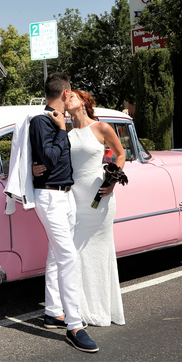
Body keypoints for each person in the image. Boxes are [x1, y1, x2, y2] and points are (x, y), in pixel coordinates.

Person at [37, 89, 126, 327]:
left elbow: (120, 154)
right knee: (74, 252)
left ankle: (99, 306)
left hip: (100, 195)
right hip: (74, 198)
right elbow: (53, 157)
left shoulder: (101, 128)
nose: (69, 99)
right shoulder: (64, 129)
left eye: (74, 96)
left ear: (84, 102)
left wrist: (113, 180)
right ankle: (78, 307)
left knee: (99, 249)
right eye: (67, 97)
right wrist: (38, 168)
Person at [29, 73, 99, 353]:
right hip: (49, 196)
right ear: (66, 92)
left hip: (66, 195)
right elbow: (48, 157)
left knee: (55, 256)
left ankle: (53, 311)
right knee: (68, 256)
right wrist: (60, 130)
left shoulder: (61, 123)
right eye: (71, 93)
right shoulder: (41, 121)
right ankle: (74, 326)